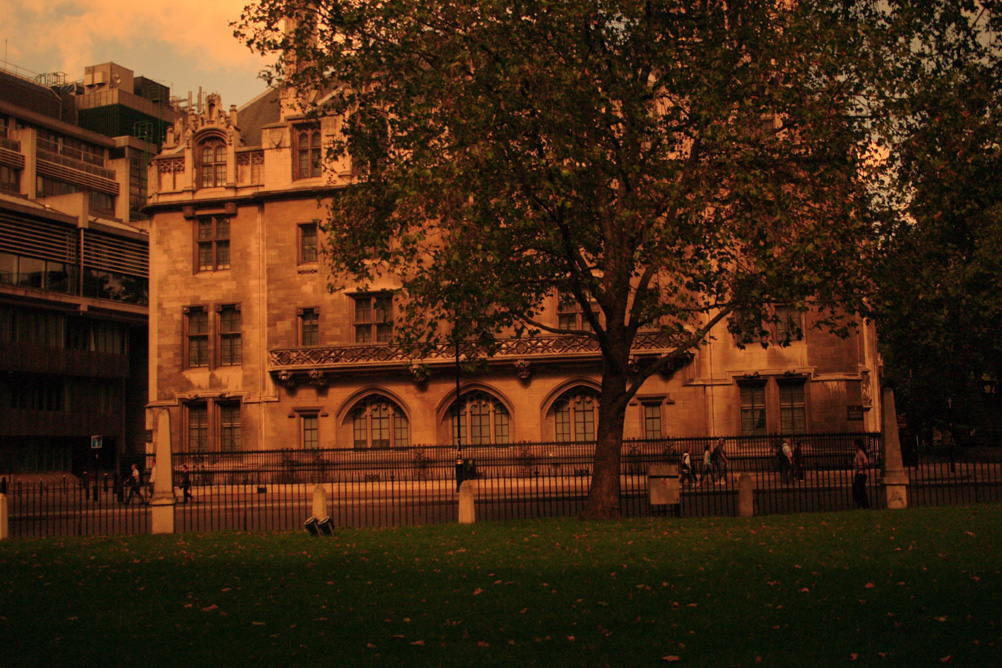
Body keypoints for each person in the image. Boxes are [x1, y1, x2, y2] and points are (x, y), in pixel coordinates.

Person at [852, 439, 870, 509]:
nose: (853, 445)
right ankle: (862, 505)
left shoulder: (861, 453)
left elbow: (866, 463)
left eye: (854, 444)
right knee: (858, 491)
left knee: (859, 491)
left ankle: (863, 505)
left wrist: (861, 468)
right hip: (857, 473)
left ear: (857, 445)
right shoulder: (857, 453)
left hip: (861, 474)